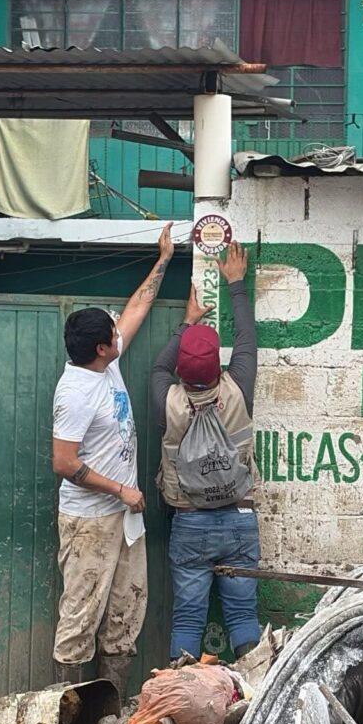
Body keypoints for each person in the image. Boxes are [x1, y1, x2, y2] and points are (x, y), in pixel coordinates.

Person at [51, 222, 176, 699]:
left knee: (125, 613)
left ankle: (110, 715)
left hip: (125, 518)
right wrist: (120, 489)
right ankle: (63, 720)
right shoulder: (76, 392)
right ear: (100, 349)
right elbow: (64, 463)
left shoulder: (105, 363)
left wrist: (163, 259)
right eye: (111, 334)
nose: (117, 334)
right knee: (79, 619)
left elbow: (136, 309)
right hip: (89, 521)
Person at [151, 240, 262, 662]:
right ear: (219, 366)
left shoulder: (167, 400)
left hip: (189, 522)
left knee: (188, 616)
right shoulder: (239, 388)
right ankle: (255, 686)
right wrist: (236, 283)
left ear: (181, 369)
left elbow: (159, 367)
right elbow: (247, 338)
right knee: (242, 614)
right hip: (239, 519)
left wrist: (187, 323)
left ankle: (181, 692)